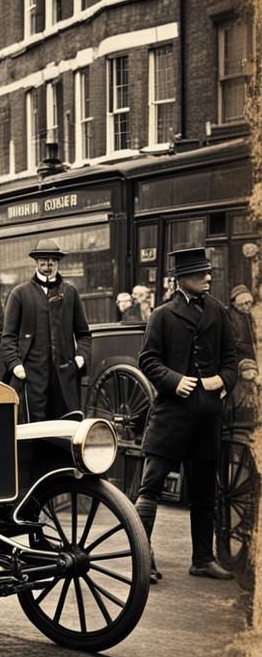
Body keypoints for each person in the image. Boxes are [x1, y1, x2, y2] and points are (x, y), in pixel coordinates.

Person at [135, 247, 237, 583]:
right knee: (151, 485)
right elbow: (148, 360)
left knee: (204, 490)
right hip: (172, 414)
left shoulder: (218, 311)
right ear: (182, 279)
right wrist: (175, 381)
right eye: (200, 274)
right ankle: (142, 558)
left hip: (207, 414)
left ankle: (203, 559)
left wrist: (223, 380)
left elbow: (231, 361)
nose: (208, 277)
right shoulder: (163, 315)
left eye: (208, 273)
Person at [0, 239, 92, 422]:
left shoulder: (70, 292)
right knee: (34, 427)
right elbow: (8, 337)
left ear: (58, 263)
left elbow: (83, 334)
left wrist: (81, 357)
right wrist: (15, 364)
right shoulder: (20, 294)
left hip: (64, 376)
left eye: (52, 261)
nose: (48, 266)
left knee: (67, 425)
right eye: (43, 261)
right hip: (31, 376)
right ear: (36, 262)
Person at [227, 284, 256, 363]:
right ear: (236, 304)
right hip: (238, 357)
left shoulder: (247, 315)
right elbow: (230, 341)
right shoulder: (230, 317)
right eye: (246, 303)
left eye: (250, 303)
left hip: (248, 355)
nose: (249, 306)